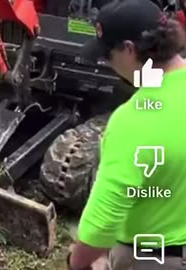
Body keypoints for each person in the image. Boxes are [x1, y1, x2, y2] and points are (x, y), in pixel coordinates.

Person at [66, 0, 186, 269]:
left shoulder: (132, 121)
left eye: (107, 55)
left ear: (129, 50)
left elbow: (104, 221)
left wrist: (77, 261)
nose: (108, 64)